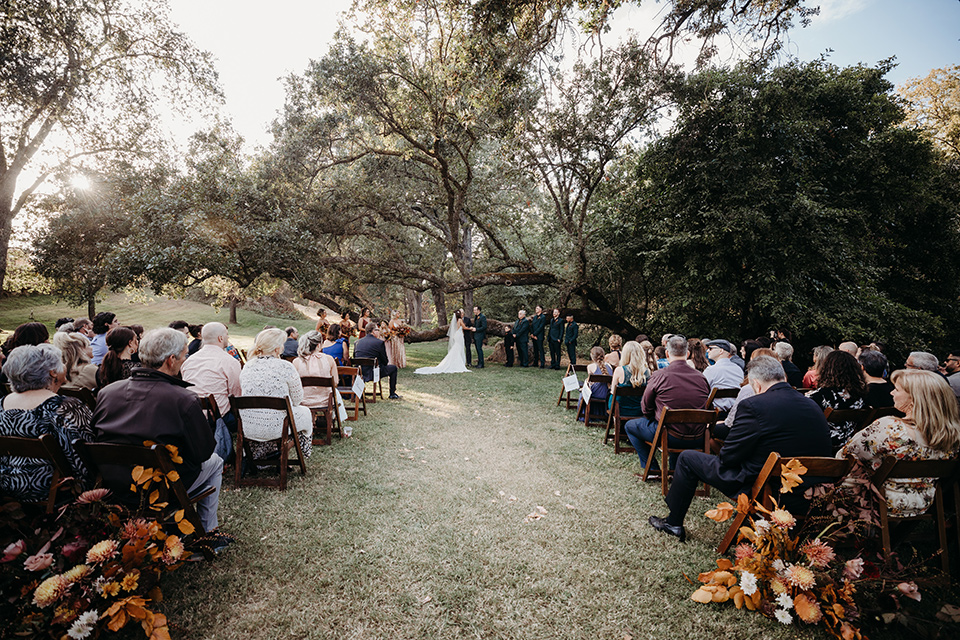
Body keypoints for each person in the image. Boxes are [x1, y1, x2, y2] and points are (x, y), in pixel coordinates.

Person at [648, 356, 832, 542]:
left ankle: (673, 522)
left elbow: (728, 457)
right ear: (783, 377)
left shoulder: (754, 405)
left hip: (767, 488)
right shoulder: (812, 405)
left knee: (688, 458)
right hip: (810, 491)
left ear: (756, 385)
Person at [92, 329, 227, 540]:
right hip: (160, 490)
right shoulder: (184, 399)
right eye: (184, 355)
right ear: (171, 360)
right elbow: (203, 452)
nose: (185, 359)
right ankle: (208, 532)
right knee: (216, 460)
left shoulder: (107, 393)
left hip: (114, 486)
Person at [838, 369, 960, 517]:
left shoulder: (891, 428)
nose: (891, 393)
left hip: (876, 503)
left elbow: (846, 455)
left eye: (896, 389)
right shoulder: (953, 435)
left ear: (914, 399)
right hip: (921, 504)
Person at [0, 345, 95, 502]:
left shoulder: (2, 404)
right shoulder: (65, 407)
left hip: (7, 490)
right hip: (54, 492)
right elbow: (86, 456)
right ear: (53, 372)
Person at [624, 336, 710, 474]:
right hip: (698, 437)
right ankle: (675, 470)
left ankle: (652, 470)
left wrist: (651, 416)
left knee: (630, 426)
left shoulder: (659, 376)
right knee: (672, 424)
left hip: (669, 435)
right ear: (687, 354)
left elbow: (645, 406)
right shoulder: (701, 378)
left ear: (667, 353)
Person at [239, 328, 314, 461]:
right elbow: (297, 400)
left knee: (278, 414)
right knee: (305, 413)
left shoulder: (248, 366)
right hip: (277, 427)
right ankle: (283, 453)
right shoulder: (286, 367)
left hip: (249, 426)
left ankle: (266, 455)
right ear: (277, 349)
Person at [180, 322, 242, 434]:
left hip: (191, 416)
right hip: (218, 420)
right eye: (227, 335)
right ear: (220, 338)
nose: (228, 337)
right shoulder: (230, 362)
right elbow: (236, 396)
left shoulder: (188, 361)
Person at [806, 350, 868, 452]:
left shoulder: (816, 397)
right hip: (849, 445)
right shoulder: (860, 396)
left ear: (826, 370)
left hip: (823, 447)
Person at [292, 330, 338, 410]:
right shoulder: (329, 359)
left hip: (303, 401)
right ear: (318, 345)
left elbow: (294, 385)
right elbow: (335, 383)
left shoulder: (297, 362)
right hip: (326, 401)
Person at [415, 310, 471, 375]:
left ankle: (456, 361)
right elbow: (464, 327)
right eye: (461, 313)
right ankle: (458, 362)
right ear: (459, 315)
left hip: (457, 334)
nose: (462, 314)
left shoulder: (456, 321)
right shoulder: (460, 320)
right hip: (459, 335)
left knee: (457, 347)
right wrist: (471, 328)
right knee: (459, 347)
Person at [353, 321, 400, 399]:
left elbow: (355, 357)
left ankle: (360, 393)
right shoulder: (379, 343)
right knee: (393, 368)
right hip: (375, 373)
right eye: (377, 330)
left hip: (360, 372)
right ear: (373, 331)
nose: (379, 332)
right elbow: (385, 361)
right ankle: (392, 393)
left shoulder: (357, 342)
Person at [608, 341, 650, 416]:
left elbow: (613, 391)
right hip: (639, 409)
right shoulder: (647, 371)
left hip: (620, 409)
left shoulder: (619, 370)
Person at [703, 339, 743, 412]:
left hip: (714, 412)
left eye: (710, 348)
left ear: (721, 351)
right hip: (735, 411)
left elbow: (702, 390)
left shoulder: (710, 370)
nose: (707, 351)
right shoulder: (738, 369)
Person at [578, 346, 611, 422]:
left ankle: (583, 415)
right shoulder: (609, 366)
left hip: (595, 393)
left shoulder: (590, 367)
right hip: (607, 394)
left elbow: (590, 383)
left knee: (583, 393)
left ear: (592, 357)